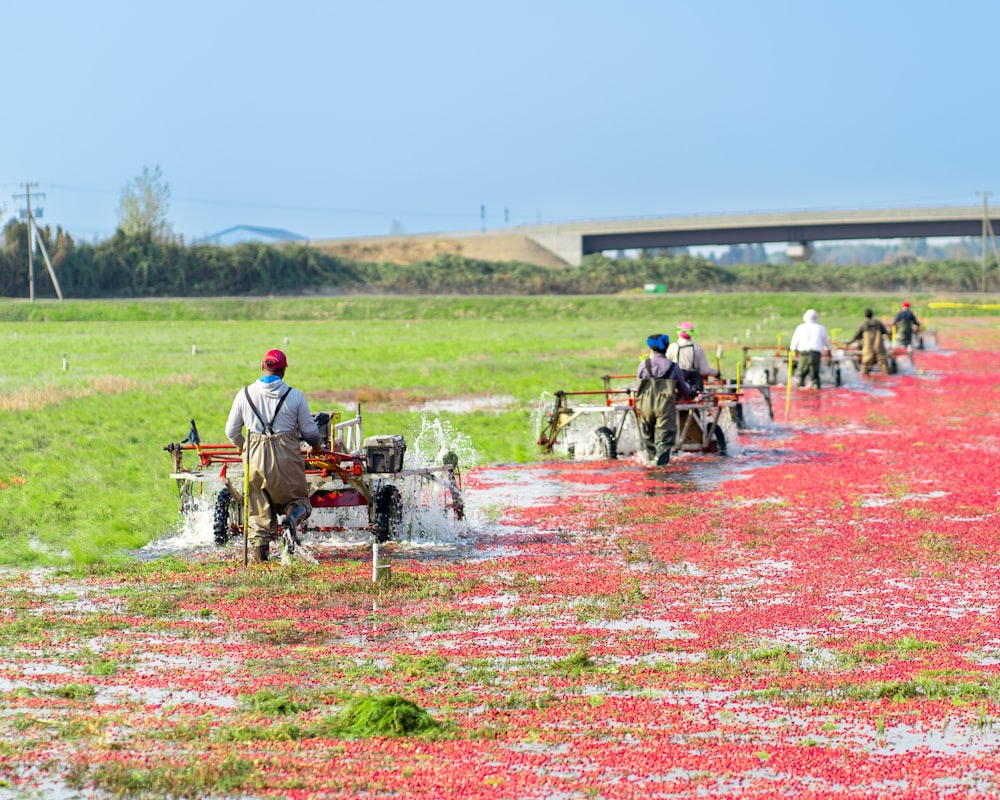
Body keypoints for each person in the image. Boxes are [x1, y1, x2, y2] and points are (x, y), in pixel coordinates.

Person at [225, 349, 323, 563]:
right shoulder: (294, 395)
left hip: (255, 458)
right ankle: (291, 519)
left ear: (263, 366)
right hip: (286, 456)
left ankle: (262, 565)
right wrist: (316, 446)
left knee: (259, 513)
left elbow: (231, 431)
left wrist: (245, 448)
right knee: (297, 500)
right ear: (283, 371)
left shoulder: (244, 394)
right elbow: (310, 431)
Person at [635, 334, 692, 467]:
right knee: (664, 438)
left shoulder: (644, 364)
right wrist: (692, 393)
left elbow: (638, 387)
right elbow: (684, 390)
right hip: (664, 405)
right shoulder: (672, 366)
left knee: (648, 436)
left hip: (645, 404)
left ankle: (650, 463)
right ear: (666, 347)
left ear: (650, 347)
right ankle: (661, 468)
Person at [666, 321, 720, 393]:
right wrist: (717, 373)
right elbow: (705, 370)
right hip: (695, 385)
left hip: (677, 385)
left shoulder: (673, 347)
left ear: (678, 332)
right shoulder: (697, 348)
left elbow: (666, 366)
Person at [788, 309, 832, 389]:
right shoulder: (820, 328)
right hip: (815, 354)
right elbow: (826, 342)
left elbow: (794, 342)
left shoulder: (800, 328)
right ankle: (816, 390)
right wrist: (829, 350)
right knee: (815, 375)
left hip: (804, 354)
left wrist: (792, 350)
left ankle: (801, 389)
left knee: (801, 374)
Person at [846, 309, 891, 376]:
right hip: (879, 349)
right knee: (884, 368)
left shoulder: (864, 324)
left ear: (865, 316)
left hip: (868, 350)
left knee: (865, 369)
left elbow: (855, 336)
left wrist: (848, 342)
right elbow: (886, 333)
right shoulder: (878, 323)